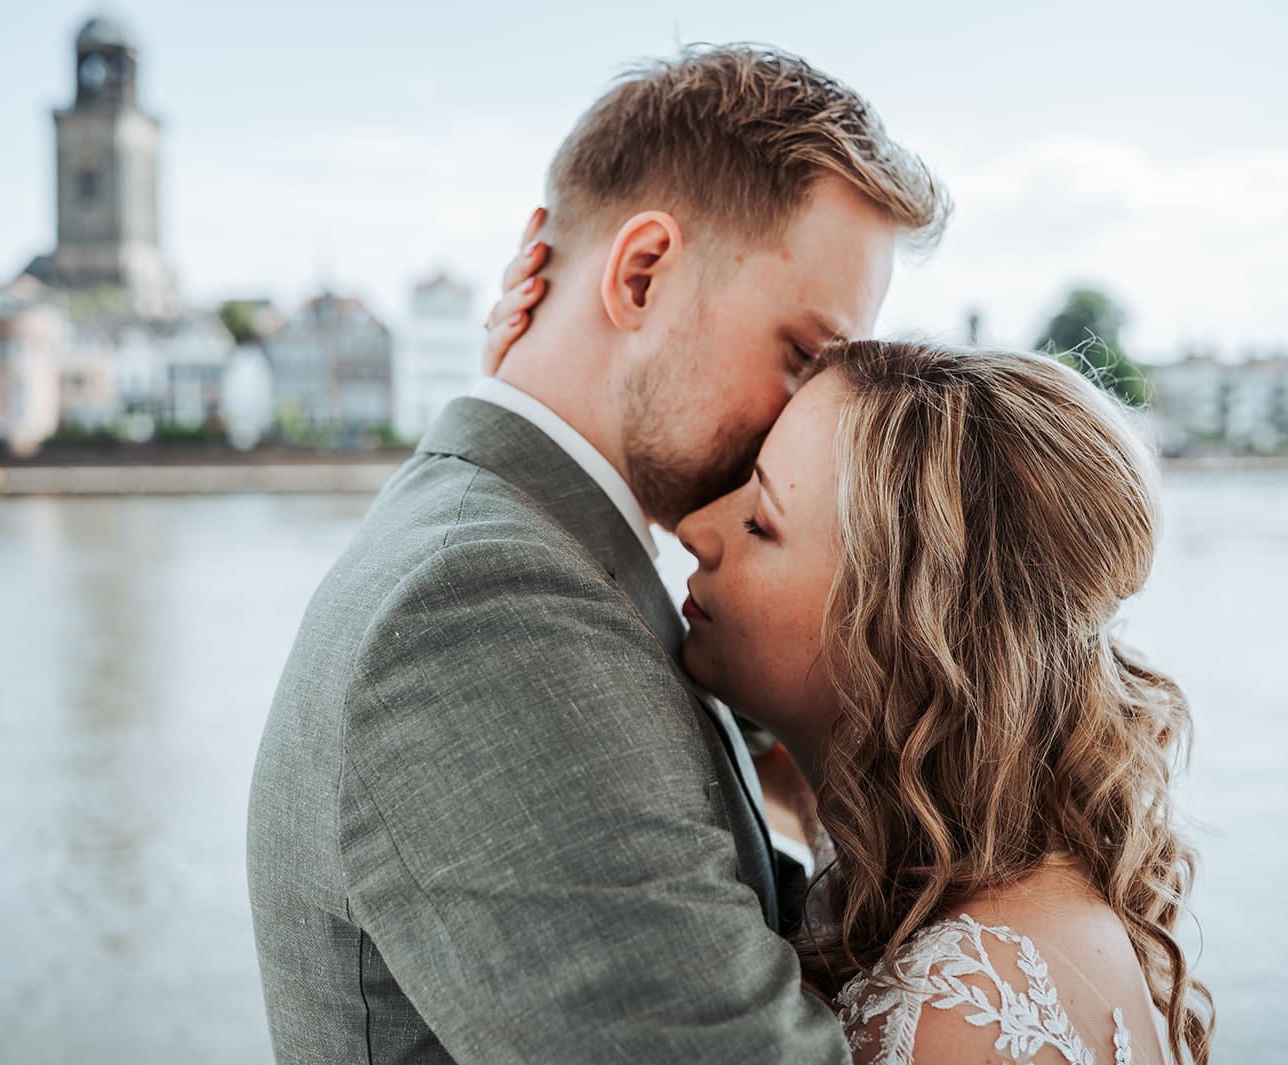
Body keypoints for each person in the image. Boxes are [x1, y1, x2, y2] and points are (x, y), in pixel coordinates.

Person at [246, 44, 948, 1065]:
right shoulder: (482, 608)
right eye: (801, 357)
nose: (808, 424)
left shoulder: (539, 542)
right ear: (641, 272)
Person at [486, 290, 1216, 1062]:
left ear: (903, 635)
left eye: (759, 520)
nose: (695, 531)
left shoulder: (957, 1014)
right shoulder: (992, 876)